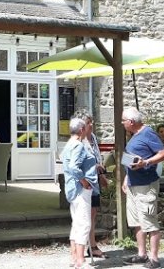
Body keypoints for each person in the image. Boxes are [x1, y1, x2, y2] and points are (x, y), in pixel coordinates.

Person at [121, 107, 164, 269]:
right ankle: (142, 254)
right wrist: (127, 177)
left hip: (146, 185)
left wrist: (146, 163)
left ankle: (154, 259)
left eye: (123, 121)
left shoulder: (148, 134)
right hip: (134, 184)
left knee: (149, 221)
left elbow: (162, 154)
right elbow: (131, 158)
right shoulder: (134, 135)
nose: (122, 123)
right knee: (136, 222)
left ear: (131, 122)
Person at [61, 117, 98, 269]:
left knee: (76, 223)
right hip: (80, 189)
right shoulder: (78, 145)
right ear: (82, 130)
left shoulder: (68, 144)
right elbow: (73, 167)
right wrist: (84, 181)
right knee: (83, 223)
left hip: (71, 188)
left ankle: (74, 257)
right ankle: (80, 261)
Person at [75, 111, 107, 261]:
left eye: (92, 122)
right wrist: (94, 168)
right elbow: (76, 165)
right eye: (89, 122)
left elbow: (97, 158)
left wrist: (102, 175)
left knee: (92, 214)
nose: (92, 125)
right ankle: (84, 248)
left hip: (94, 183)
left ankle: (91, 245)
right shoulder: (78, 142)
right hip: (84, 184)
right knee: (84, 216)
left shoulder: (93, 138)